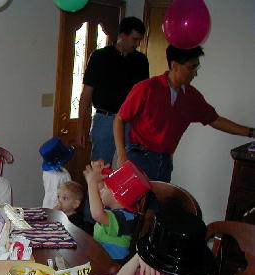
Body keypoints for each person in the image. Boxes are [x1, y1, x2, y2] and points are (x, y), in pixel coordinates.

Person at [114, 44, 255, 182]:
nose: (195, 73)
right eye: (191, 68)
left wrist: (251, 132)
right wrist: (122, 155)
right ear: (174, 65)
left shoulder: (192, 97)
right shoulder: (146, 88)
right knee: (130, 204)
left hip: (164, 162)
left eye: (196, 67)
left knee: (156, 205)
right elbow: (119, 119)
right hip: (138, 158)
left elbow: (215, 120)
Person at [76, 16, 149, 166]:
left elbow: (144, 97)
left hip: (130, 122)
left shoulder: (141, 61)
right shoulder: (100, 57)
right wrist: (80, 127)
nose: (137, 44)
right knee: (100, 171)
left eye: (139, 40)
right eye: (135, 39)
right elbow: (86, 94)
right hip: (105, 120)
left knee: (129, 169)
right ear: (122, 35)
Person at [83, 160, 150, 261]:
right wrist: (98, 176)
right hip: (101, 254)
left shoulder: (125, 219)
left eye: (106, 188)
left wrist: (92, 183)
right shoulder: (114, 207)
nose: (101, 190)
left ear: (118, 199)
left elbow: (97, 214)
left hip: (112, 262)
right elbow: (100, 194)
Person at [39, 137, 73, 209]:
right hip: (56, 208)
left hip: (51, 205)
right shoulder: (59, 176)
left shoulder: (48, 172)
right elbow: (54, 195)